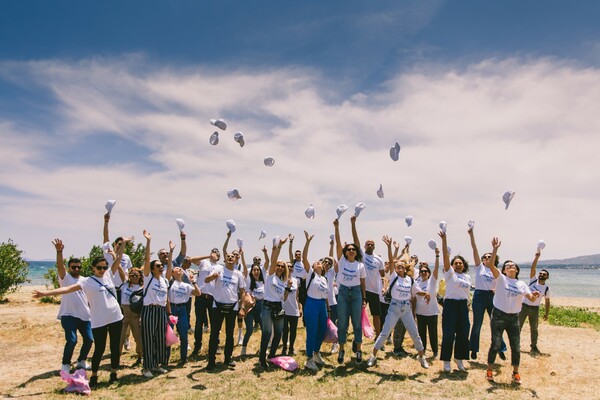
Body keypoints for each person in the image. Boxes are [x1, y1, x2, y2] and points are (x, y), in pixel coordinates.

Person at [34, 239, 129, 387]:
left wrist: (123, 244)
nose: (102, 270)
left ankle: (113, 374)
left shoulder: (109, 274)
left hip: (116, 317)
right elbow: (66, 289)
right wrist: (44, 293)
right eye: (99, 268)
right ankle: (95, 376)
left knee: (115, 347)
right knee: (99, 349)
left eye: (104, 267)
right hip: (99, 320)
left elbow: (118, 258)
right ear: (92, 268)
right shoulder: (87, 282)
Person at [367, 235, 430, 369]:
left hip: (406, 308)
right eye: (398, 266)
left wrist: (427, 293)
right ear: (395, 268)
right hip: (394, 308)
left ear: (405, 268)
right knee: (384, 333)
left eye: (402, 265)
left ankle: (422, 356)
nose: (400, 267)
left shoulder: (410, 280)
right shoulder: (393, 276)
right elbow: (391, 259)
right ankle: (373, 356)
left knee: (415, 334)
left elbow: (417, 291)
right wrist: (389, 246)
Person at [485, 237, 540, 385]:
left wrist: (534, 295)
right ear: (503, 270)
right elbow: (490, 265)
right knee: (495, 344)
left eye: (513, 265)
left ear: (516, 269)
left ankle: (515, 373)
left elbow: (531, 298)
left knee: (515, 346)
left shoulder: (521, 284)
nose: (510, 266)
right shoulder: (501, 279)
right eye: (507, 265)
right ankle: (489, 369)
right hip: (498, 316)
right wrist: (495, 248)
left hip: (513, 318)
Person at [50, 239, 93, 374]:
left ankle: (81, 361)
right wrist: (59, 252)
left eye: (78, 267)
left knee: (89, 340)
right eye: (73, 267)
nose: (76, 269)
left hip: (85, 316)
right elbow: (60, 266)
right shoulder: (66, 278)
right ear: (69, 268)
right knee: (72, 340)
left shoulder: (86, 280)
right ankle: (65, 364)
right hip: (68, 315)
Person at [468, 226, 506, 361]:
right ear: (483, 260)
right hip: (479, 296)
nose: (488, 258)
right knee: (477, 324)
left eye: (490, 257)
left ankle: (500, 348)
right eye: (486, 257)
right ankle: (473, 348)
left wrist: (495, 249)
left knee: (495, 324)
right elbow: (475, 249)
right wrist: (471, 235)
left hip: (492, 297)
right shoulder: (479, 268)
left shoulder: (496, 271)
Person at [204, 250, 247, 370]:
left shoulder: (238, 274)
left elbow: (242, 292)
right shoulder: (219, 270)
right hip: (217, 306)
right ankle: (211, 361)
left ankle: (228, 359)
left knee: (230, 334)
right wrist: (212, 276)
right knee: (214, 334)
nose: (230, 258)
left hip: (232, 307)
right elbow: (206, 280)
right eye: (228, 256)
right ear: (224, 260)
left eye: (232, 257)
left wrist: (242, 307)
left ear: (235, 260)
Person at [140, 230, 174, 378]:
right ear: (153, 268)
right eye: (158, 265)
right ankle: (146, 367)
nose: (161, 267)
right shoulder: (148, 278)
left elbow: (170, 268)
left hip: (161, 311)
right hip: (149, 310)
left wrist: (171, 252)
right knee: (148, 338)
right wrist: (148, 242)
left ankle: (156, 365)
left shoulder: (164, 280)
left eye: (162, 265)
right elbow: (147, 259)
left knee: (160, 338)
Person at [333, 216, 367, 364]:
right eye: (349, 249)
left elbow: (362, 282)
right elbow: (338, 244)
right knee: (342, 324)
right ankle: (341, 349)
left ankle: (358, 350)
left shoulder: (360, 265)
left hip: (357, 294)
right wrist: (337, 228)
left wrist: (364, 298)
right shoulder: (342, 261)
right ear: (346, 252)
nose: (352, 250)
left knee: (357, 324)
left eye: (354, 249)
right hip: (343, 294)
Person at [439, 230, 471, 372]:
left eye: (460, 263)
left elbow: (466, 293)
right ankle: (446, 360)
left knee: (463, 333)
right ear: (452, 266)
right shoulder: (450, 274)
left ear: (464, 265)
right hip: (451, 305)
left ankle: (459, 359)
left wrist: (468, 304)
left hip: (463, 306)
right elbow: (445, 259)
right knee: (449, 333)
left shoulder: (467, 277)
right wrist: (444, 239)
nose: (458, 265)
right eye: (455, 263)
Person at [259, 237, 292, 369]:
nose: (279, 267)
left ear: (284, 269)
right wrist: (280, 246)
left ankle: (272, 356)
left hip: (278, 307)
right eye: (278, 265)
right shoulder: (270, 275)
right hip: (267, 306)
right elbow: (273, 260)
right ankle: (262, 359)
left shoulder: (283, 281)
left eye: (281, 266)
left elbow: (283, 298)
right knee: (267, 334)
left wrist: (288, 288)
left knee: (278, 333)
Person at [351, 218, 385, 338]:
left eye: (372, 244)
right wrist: (353, 224)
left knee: (376, 315)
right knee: (359, 313)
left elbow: (383, 276)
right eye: (368, 244)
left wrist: (384, 288)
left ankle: (378, 337)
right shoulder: (361, 255)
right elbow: (355, 240)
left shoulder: (379, 259)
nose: (370, 245)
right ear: (365, 246)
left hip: (374, 291)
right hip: (361, 290)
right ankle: (358, 335)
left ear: (374, 247)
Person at [301, 231, 330, 371]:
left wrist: (327, 308)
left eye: (321, 262)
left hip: (322, 305)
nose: (319, 263)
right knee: (311, 331)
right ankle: (309, 358)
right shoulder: (310, 274)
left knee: (322, 330)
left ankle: (317, 352)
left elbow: (326, 295)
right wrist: (308, 241)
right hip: (311, 304)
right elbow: (304, 257)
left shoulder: (324, 279)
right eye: (317, 262)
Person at [189, 247, 220, 357]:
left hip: (213, 297)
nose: (213, 254)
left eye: (216, 253)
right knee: (199, 323)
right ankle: (197, 346)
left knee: (214, 322)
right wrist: (207, 256)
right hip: (201, 295)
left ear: (219, 257)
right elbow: (192, 259)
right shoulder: (204, 262)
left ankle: (215, 345)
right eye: (212, 252)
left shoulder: (220, 267)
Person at [519, 248, 550, 355]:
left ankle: (534, 347)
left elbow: (547, 302)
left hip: (535, 309)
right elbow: (533, 269)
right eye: (541, 273)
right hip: (524, 306)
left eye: (544, 274)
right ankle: (516, 345)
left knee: (534, 329)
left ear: (547, 277)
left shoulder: (546, 288)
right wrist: (536, 257)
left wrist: (546, 313)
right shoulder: (533, 281)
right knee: (518, 326)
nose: (541, 275)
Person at [169, 266, 201, 366]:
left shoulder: (186, 285)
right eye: (177, 269)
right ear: (172, 273)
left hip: (182, 309)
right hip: (172, 309)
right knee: (169, 335)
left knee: (184, 335)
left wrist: (194, 282)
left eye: (181, 269)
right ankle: (165, 358)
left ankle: (183, 358)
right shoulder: (170, 283)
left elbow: (198, 293)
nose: (180, 270)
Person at [415, 251, 440, 358]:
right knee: (421, 334)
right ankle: (423, 351)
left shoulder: (432, 281)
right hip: (420, 312)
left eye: (426, 271)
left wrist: (437, 256)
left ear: (429, 273)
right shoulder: (417, 283)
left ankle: (435, 351)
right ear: (419, 273)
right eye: (422, 271)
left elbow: (436, 268)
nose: (424, 273)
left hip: (432, 312)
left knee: (433, 334)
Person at [240, 255, 266, 357]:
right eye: (254, 270)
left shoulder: (264, 282)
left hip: (261, 308)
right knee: (250, 329)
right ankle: (244, 348)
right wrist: (242, 255)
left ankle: (262, 349)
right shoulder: (248, 281)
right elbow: (245, 268)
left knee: (265, 329)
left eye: (258, 270)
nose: (256, 271)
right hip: (250, 308)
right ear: (252, 271)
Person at [119, 267, 143, 364]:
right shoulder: (125, 284)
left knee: (138, 337)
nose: (134, 277)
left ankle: (140, 356)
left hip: (135, 315)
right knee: (120, 338)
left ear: (140, 276)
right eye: (132, 275)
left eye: (136, 275)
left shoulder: (142, 288)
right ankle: (117, 357)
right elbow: (120, 270)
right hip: (124, 314)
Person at [281, 261, 301, 356]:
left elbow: (297, 296)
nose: (289, 268)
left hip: (294, 310)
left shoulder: (296, 281)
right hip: (284, 309)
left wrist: (300, 308)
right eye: (287, 266)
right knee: (285, 330)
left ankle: (291, 347)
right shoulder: (281, 280)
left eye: (291, 267)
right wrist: (287, 287)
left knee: (293, 331)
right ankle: (284, 347)